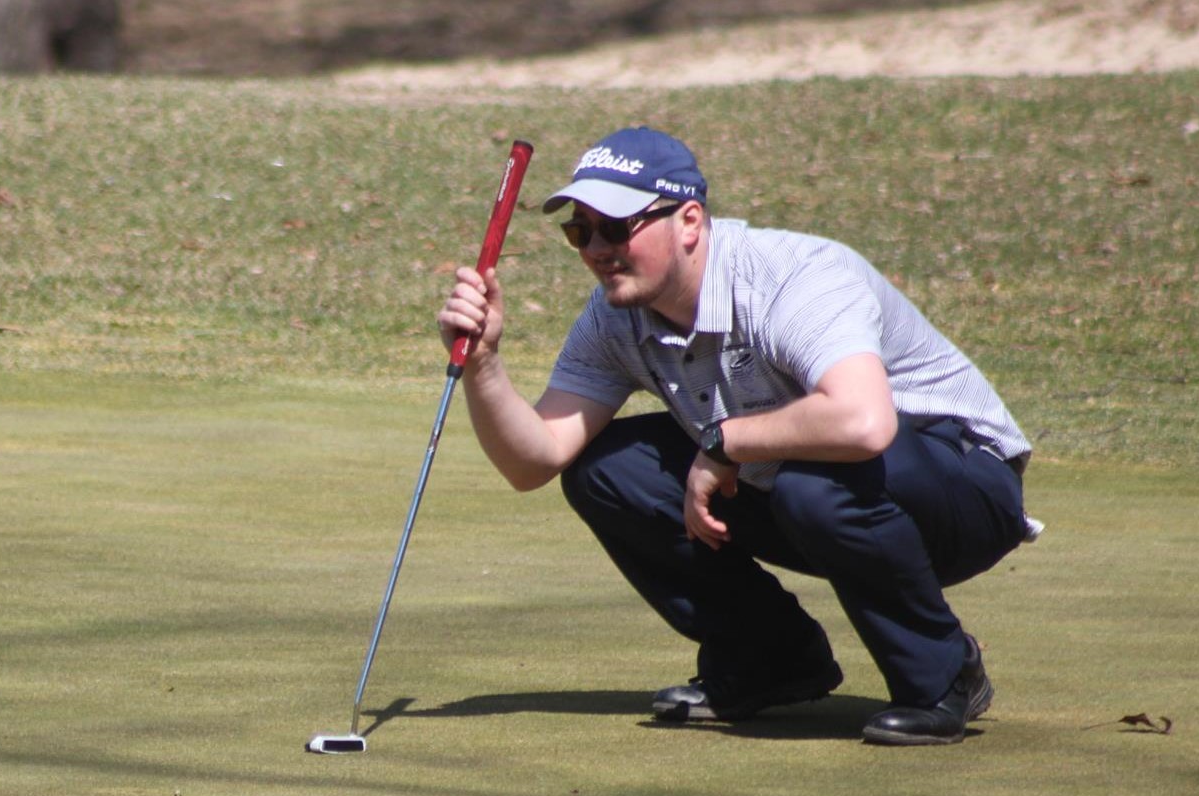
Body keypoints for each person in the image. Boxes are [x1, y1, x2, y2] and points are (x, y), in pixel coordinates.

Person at [437, 126, 1035, 746]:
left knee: (816, 484)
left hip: (960, 485)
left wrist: (724, 441)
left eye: (615, 228)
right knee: (605, 471)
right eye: (579, 231)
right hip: (810, 493)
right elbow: (533, 460)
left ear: (689, 221)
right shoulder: (616, 317)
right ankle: (771, 660)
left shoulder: (792, 276)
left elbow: (863, 422)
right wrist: (484, 363)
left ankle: (942, 677)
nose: (595, 249)